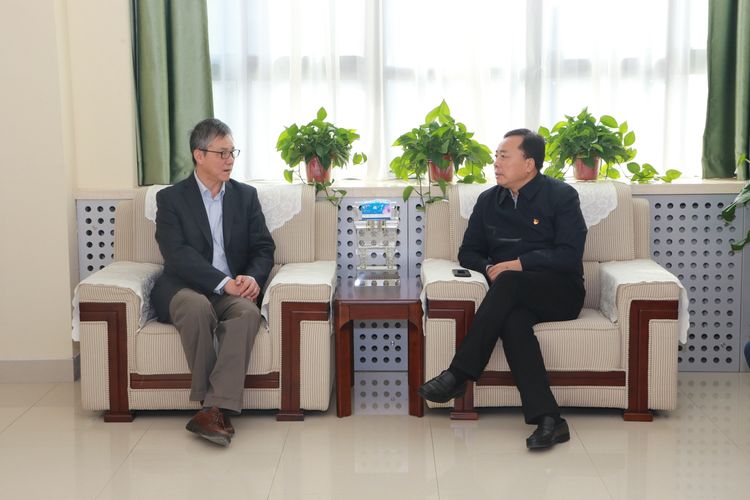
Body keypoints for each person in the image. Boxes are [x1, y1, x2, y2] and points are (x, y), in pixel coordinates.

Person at [418, 128, 587, 450]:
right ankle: (550, 420)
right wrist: (489, 269)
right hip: (511, 293)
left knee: (509, 281)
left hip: (560, 292)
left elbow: (569, 254)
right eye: (496, 156)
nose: (496, 163)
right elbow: (468, 252)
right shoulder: (488, 200)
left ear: (529, 164)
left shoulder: (561, 196)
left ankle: (459, 373)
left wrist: (519, 264)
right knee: (513, 321)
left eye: (504, 156)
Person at [151, 118, 275, 446]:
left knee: (247, 313)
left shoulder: (245, 196)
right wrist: (223, 282)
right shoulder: (171, 199)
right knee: (195, 307)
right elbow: (176, 254)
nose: (230, 159)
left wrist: (251, 277)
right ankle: (215, 407)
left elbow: (263, 247)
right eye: (222, 153)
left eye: (232, 152)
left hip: (231, 289)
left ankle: (212, 409)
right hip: (184, 287)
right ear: (199, 155)